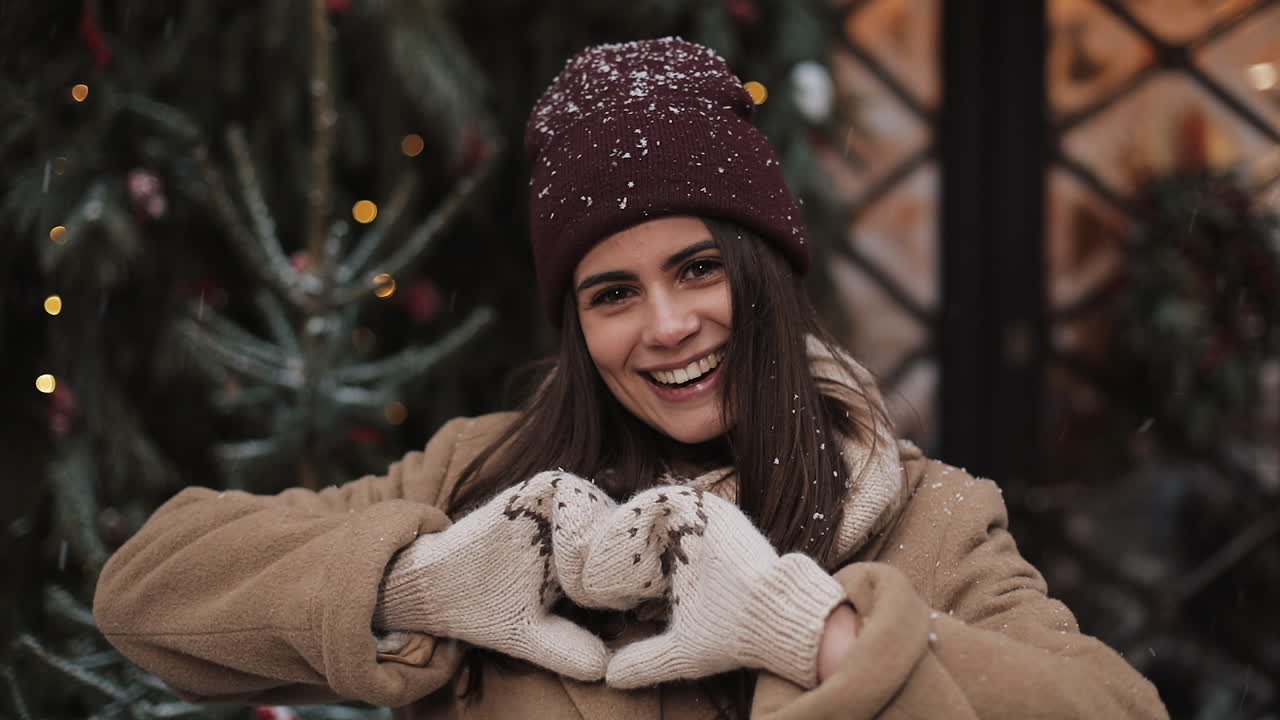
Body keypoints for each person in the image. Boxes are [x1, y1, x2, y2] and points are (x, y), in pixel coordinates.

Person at [94, 37, 1169, 719]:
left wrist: (817, 633)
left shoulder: (929, 521)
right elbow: (147, 595)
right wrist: (417, 584)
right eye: (612, 293)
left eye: (699, 269)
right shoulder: (483, 480)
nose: (665, 327)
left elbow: (1110, 708)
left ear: (766, 274)